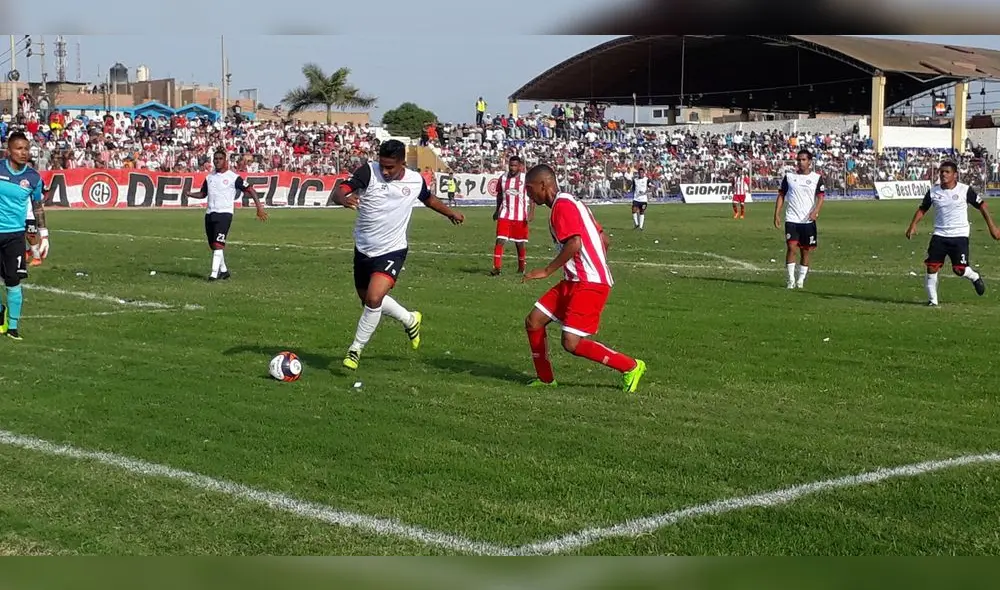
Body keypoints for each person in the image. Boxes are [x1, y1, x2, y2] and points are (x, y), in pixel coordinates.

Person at [331, 139, 465, 370]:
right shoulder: (368, 172)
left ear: (403, 162)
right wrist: (343, 198)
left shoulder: (414, 180)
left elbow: (428, 199)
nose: (385, 171)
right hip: (363, 248)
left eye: (390, 167)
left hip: (393, 249)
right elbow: (340, 190)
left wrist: (450, 213)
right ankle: (409, 319)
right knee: (368, 300)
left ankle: (355, 350)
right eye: (382, 165)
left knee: (374, 299)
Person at [521, 164, 646, 393]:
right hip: (576, 280)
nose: (528, 194)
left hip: (588, 283)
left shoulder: (561, 206)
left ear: (543, 185)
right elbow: (604, 239)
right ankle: (546, 379)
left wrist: (547, 271)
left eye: (530, 189)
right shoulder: (572, 202)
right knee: (534, 321)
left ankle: (631, 366)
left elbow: (575, 243)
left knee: (571, 342)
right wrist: (595, 262)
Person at [905, 160, 999, 306]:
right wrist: (912, 225)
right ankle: (932, 302)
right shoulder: (933, 191)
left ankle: (974, 276)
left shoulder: (965, 190)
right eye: (941, 171)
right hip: (940, 235)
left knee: (959, 270)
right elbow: (923, 208)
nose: (943, 174)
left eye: (947, 172)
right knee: (932, 266)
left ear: (955, 175)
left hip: (960, 235)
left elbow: (982, 206)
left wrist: (992, 227)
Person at [183, 148, 268, 281]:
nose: (217, 161)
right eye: (215, 159)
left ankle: (213, 274)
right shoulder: (209, 177)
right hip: (210, 213)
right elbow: (203, 193)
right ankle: (224, 271)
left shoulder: (233, 177)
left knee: (218, 244)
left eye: (220, 159)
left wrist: (259, 208)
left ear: (225, 161)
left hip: (225, 214)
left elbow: (250, 189)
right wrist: (191, 194)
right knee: (214, 245)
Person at [0, 132, 49, 341]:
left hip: (14, 235)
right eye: (19, 148)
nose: (24, 153)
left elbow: (37, 207)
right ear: (9, 150)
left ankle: (13, 327)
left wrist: (44, 234)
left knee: (13, 280)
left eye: (26, 149)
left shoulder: (33, 178)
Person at [774, 149, 825, 289]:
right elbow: (781, 195)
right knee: (791, 247)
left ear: (809, 162)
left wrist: (816, 211)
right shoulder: (789, 177)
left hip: (808, 220)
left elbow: (821, 196)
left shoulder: (816, 178)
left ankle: (801, 280)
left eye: (803, 160)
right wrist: (777, 213)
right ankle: (790, 279)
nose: (800, 162)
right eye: (799, 160)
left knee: (805, 250)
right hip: (792, 219)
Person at [491, 156, 533, 275]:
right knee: (500, 240)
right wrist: (496, 210)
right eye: (511, 165)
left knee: (519, 243)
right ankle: (497, 268)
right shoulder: (503, 178)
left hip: (520, 216)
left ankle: (521, 267)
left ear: (520, 166)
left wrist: (531, 213)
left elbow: (533, 196)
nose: (512, 168)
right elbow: (499, 196)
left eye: (515, 165)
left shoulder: (525, 179)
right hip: (505, 214)